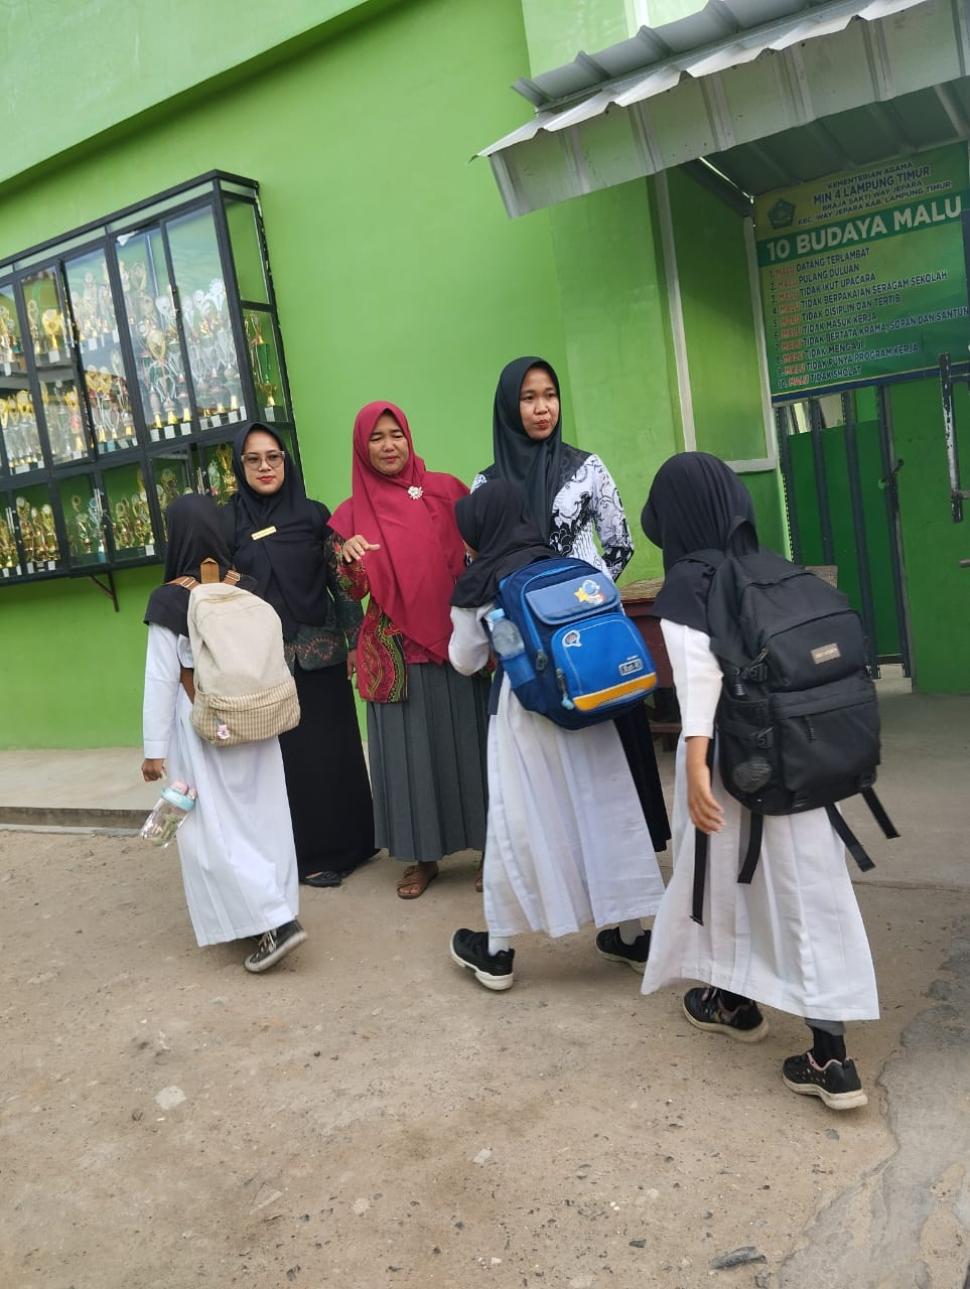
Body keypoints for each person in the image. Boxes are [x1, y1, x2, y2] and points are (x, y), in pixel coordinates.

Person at [639, 452, 878, 1110]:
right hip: (798, 760)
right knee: (802, 891)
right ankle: (775, 1021)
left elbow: (697, 677)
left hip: (731, 763)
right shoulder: (769, 567)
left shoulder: (689, 581)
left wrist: (695, 764)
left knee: (724, 879)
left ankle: (817, 1052)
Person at [475, 356, 669, 940]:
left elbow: (619, 543)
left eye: (550, 395)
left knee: (608, 774)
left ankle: (624, 920)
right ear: (509, 407)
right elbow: (483, 564)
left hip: (590, 646)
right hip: (532, 653)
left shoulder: (587, 468)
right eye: (529, 398)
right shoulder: (489, 484)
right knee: (548, 782)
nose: (542, 408)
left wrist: (581, 598)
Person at [447, 480, 667, 991]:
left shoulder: (480, 584)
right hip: (592, 711)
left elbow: (466, 660)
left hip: (525, 716)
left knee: (519, 825)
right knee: (605, 813)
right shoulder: (570, 567)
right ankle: (632, 936)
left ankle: (497, 952)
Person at [329, 401, 489, 899]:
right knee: (411, 761)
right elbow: (352, 591)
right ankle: (424, 857)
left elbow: (482, 554)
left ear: (408, 436)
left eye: (395, 434)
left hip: (459, 643)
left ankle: (492, 849)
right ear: (362, 448)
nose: (388, 445)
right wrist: (348, 560)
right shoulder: (350, 516)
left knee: (474, 750)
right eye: (376, 438)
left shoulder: (448, 491)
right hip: (397, 654)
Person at [141, 494, 305, 973]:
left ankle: (274, 922)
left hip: (204, 726)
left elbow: (160, 677)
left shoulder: (169, 599)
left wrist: (154, 750)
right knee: (265, 818)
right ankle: (276, 908)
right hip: (255, 722)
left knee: (212, 828)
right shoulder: (245, 587)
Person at [223, 424, 374, 889]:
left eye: (274, 457)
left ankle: (356, 843)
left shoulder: (313, 515)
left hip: (321, 654)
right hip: (266, 663)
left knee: (335, 752)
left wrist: (355, 642)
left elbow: (339, 582)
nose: (265, 467)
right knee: (294, 762)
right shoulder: (227, 524)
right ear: (239, 466)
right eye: (253, 459)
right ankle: (310, 857)